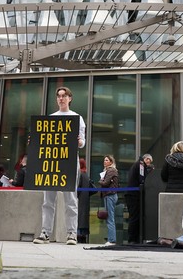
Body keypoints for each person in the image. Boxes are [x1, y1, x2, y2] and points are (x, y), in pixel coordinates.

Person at [33, 86, 86, 246]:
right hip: (51, 162)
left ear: (70, 98)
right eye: (59, 96)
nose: (61, 98)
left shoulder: (77, 117)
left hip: (69, 161)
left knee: (71, 199)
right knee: (48, 200)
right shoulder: (51, 118)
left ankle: (71, 233)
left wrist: (79, 142)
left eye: (64, 96)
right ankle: (45, 233)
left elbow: (82, 142)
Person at [126, 153, 153, 244]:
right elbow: (142, 180)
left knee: (134, 217)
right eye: (148, 160)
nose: (149, 163)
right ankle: (132, 239)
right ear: (145, 159)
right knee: (134, 217)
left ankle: (134, 239)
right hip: (134, 196)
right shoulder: (141, 164)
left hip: (132, 194)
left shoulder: (137, 164)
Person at [98, 154, 120, 245]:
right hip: (109, 195)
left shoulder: (111, 170)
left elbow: (105, 183)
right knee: (109, 218)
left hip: (110, 195)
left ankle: (112, 240)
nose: (105, 161)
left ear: (111, 162)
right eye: (104, 160)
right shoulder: (108, 171)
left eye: (107, 160)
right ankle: (111, 238)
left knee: (110, 218)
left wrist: (100, 180)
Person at [77, 158, 93, 243]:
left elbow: (78, 187)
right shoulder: (86, 174)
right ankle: (83, 235)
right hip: (85, 200)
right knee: (83, 218)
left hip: (80, 200)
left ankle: (79, 235)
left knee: (79, 218)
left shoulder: (80, 174)